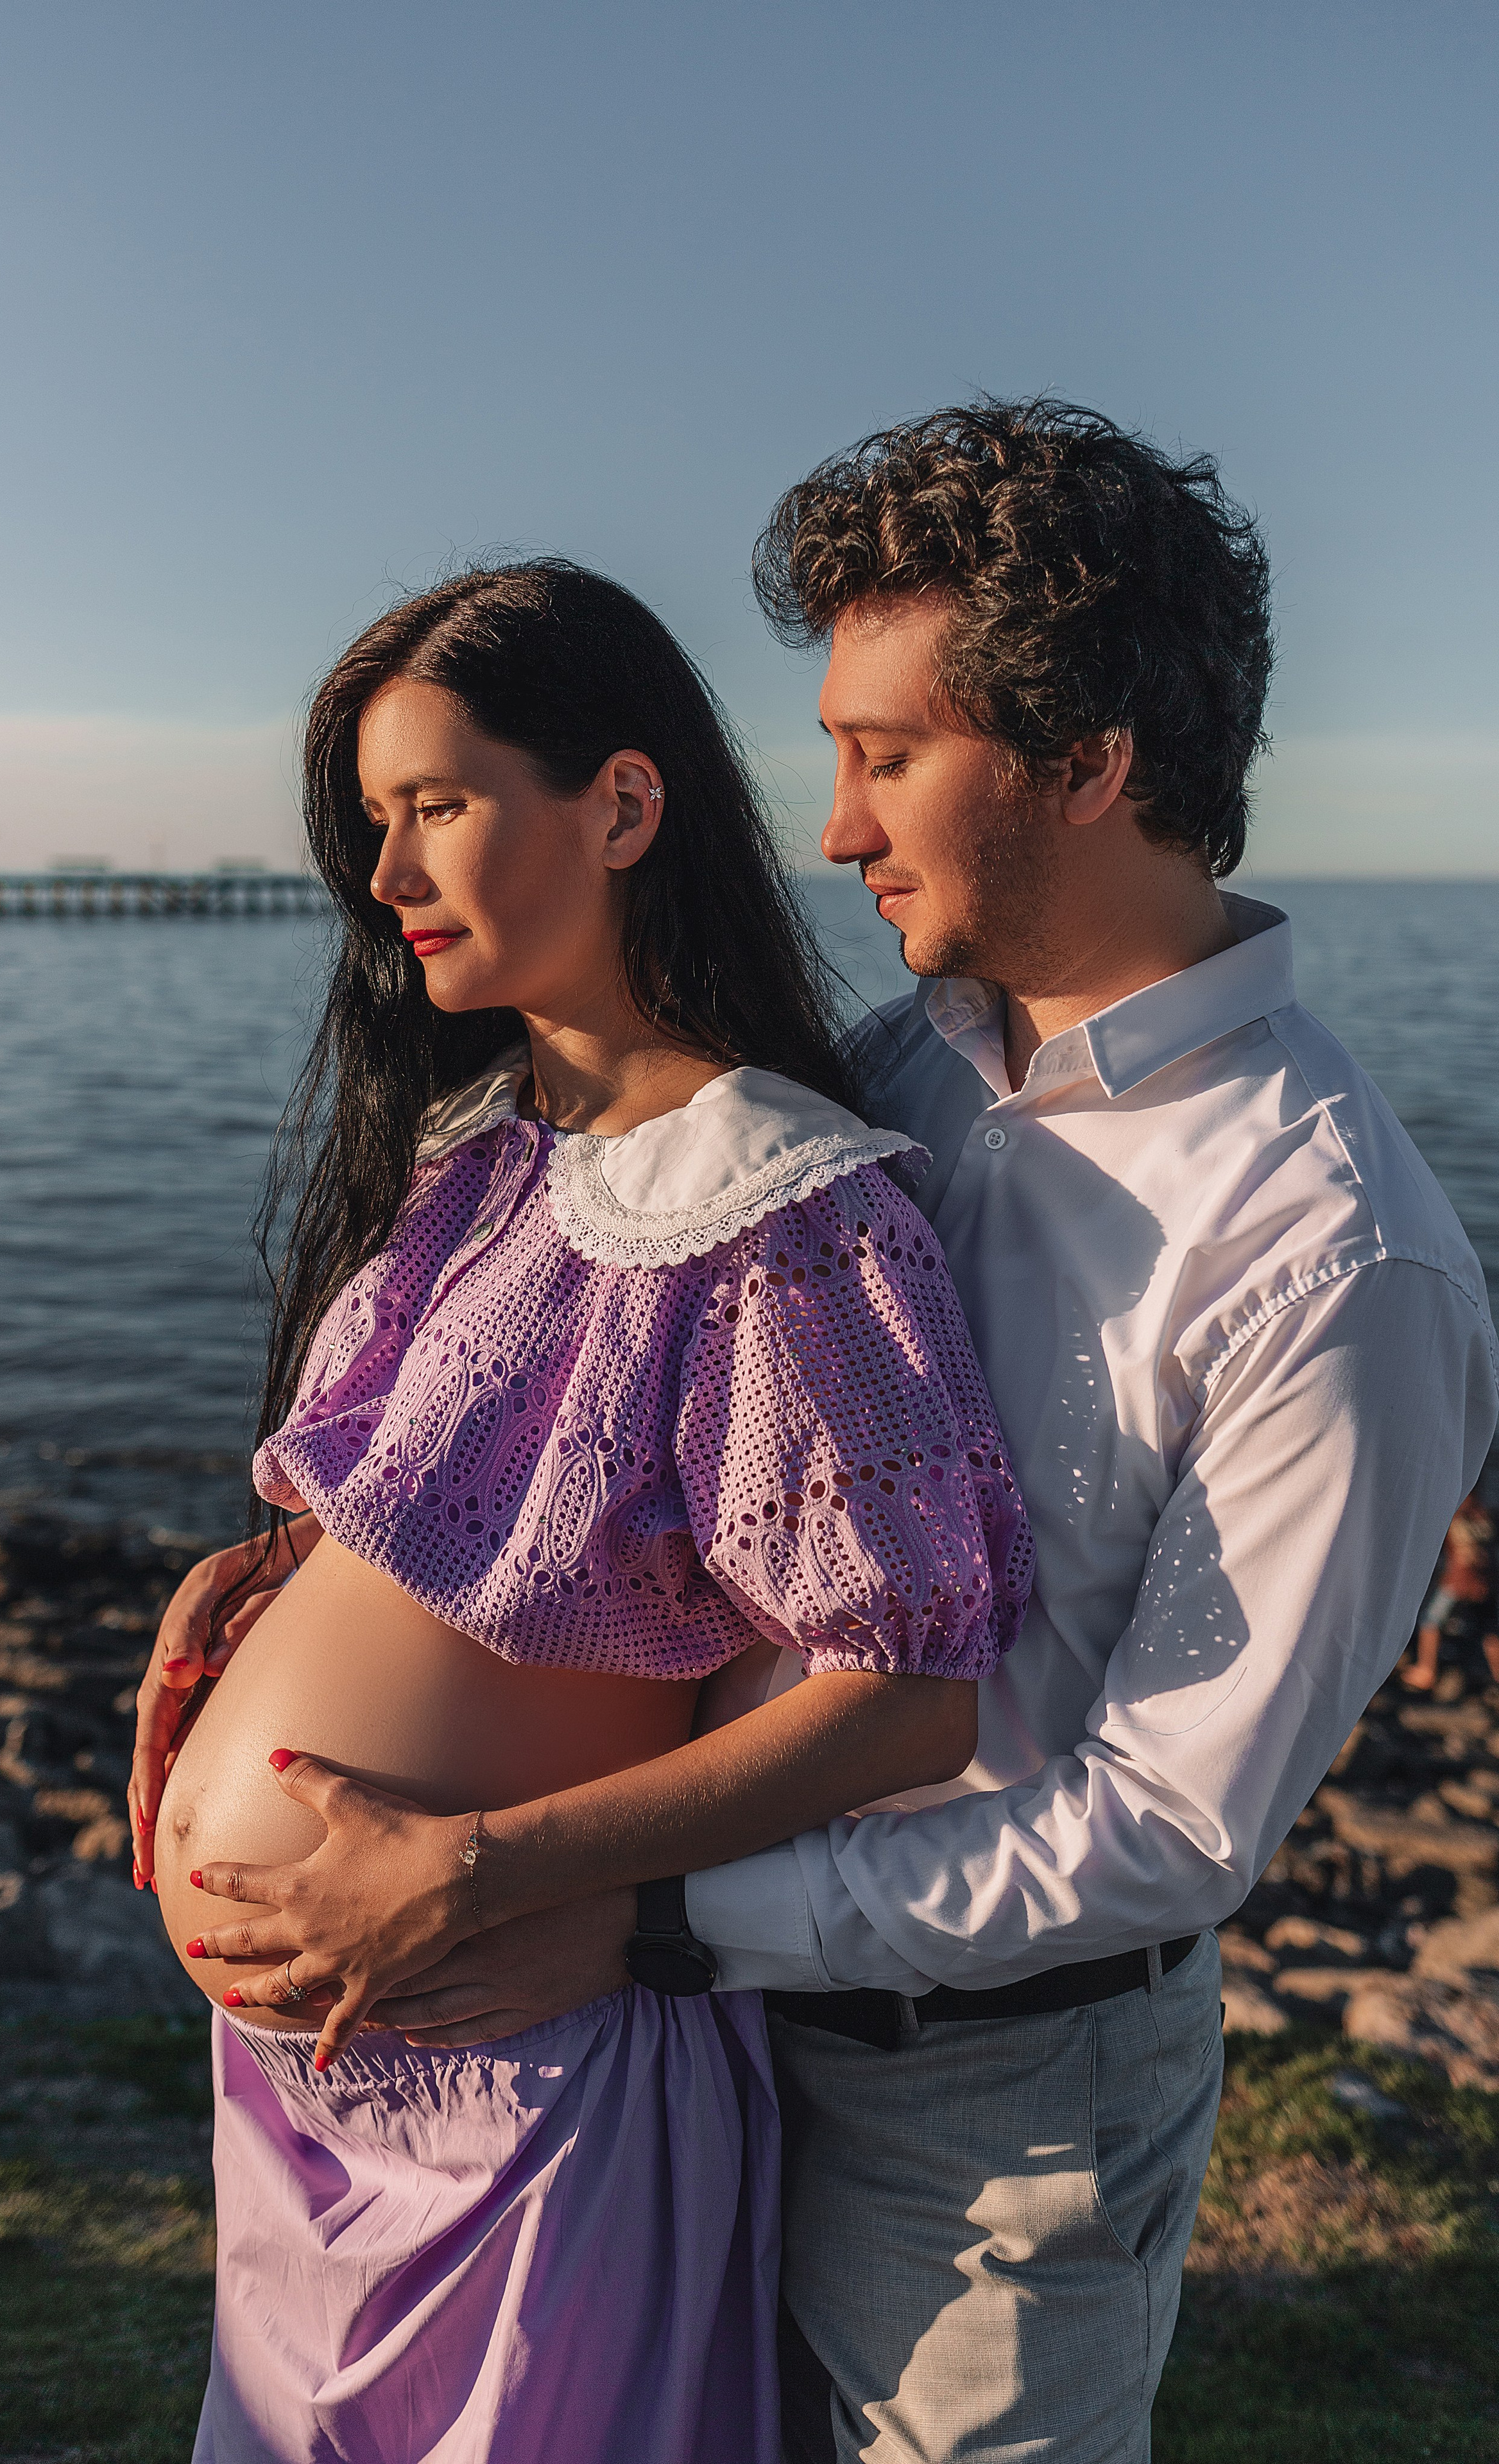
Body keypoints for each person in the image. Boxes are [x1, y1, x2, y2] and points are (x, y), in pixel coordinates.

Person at [198, 406, 1498, 2464]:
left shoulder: (1334, 1252)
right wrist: (298, 1580)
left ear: (1090, 761)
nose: (831, 827)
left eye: (888, 755)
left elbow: (1165, 1825)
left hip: (980, 2111)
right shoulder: (890, 1073)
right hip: (672, 2024)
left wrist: (639, 1916)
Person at [127, 560, 1033, 2464]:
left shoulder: (781, 1211)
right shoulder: (478, 1157)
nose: (387, 874)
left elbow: (906, 1692)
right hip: (312, 2088)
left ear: (622, 805)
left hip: (519, 2085)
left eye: (438, 805)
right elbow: (486, 1526)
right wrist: (265, 1576)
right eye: (374, 820)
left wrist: (483, 1868)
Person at [1401, 1493, 1499, 1691]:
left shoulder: (1458, 1509)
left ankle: (1427, 1670)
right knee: (1489, 1630)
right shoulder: (1482, 1513)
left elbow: (1464, 1549)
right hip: (1485, 1583)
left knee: (1430, 1621)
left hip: (1458, 1581)